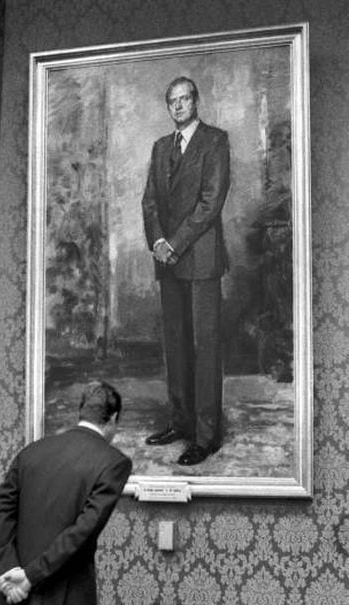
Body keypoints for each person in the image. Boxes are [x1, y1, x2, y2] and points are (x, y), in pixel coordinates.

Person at [0, 380, 132, 605]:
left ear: (81, 412)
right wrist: (31, 576)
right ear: (113, 419)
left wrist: (9, 570)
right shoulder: (113, 462)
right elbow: (82, 532)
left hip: (15, 601)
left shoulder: (33, 451)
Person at [142, 76, 231, 466]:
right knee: (176, 345)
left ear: (196, 102)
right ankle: (180, 421)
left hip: (201, 259)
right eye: (172, 101)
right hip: (168, 261)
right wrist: (159, 242)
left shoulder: (215, 141)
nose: (178, 106)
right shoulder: (161, 147)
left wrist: (174, 243)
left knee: (204, 348)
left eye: (184, 99)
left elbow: (210, 203)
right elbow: (148, 203)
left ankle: (207, 436)